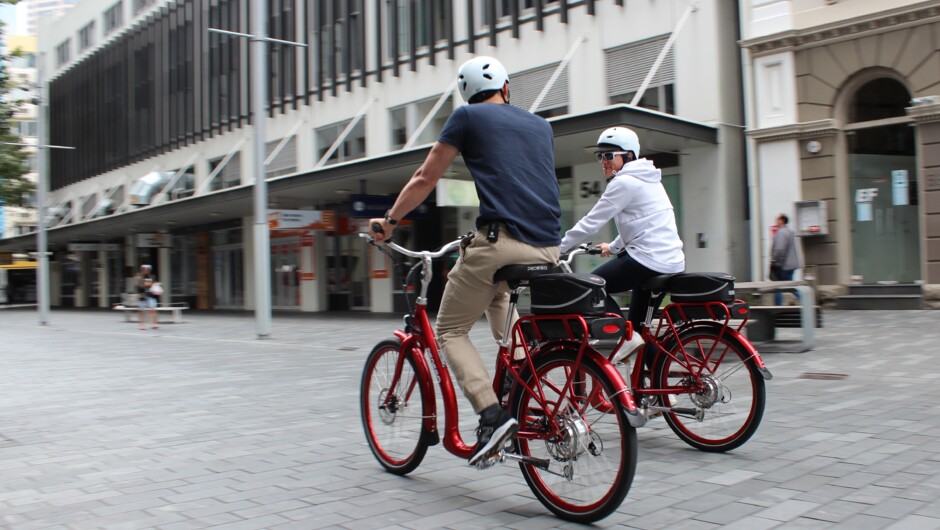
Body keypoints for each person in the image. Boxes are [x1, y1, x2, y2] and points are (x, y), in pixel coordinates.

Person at [369, 56, 561, 466]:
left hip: (502, 242)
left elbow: (425, 177)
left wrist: (388, 222)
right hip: (549, 247)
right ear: (506, 89)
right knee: (494, 293)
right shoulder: (541, 125)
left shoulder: (467, 117)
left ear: (467, 94)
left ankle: (492, 416)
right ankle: (517, 371)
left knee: (451, 329)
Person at [559, 126, 685, 362]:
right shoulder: (649, 179)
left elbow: (591, 223)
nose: (603, 161)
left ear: (628, 156)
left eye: (609, 155)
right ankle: (660, 390)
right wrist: (614, 247)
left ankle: (625, 337)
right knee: (639, 332)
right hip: (669, 261)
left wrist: (559, 248)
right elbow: (641, 225)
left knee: (592, 288)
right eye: (600, 156)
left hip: (648, 260)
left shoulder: (624, 183)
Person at [770, 213, 801, 305]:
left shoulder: (781, 232)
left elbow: (780, 249)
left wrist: (774, 260)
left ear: (781, 220)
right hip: (791, 265)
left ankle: (777, 307)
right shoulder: (790, 232)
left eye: (777, 219)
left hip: (783, 265)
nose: (776, 221)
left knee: (777, 287)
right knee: (790, 286)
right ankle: (806, 300)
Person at [136, 264, 160, 329]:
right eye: (145, 270)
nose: (146, 271)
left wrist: (156, 285)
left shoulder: (152, 276)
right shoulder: (139, 277)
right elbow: (139, 286)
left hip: (151, 295)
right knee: (141, 310)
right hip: (142, 295)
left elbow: (154, 284)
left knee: (153, 309)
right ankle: (142, 324)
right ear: (142, 270)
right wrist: (147, 285)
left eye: (148, 270)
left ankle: (154, 323)